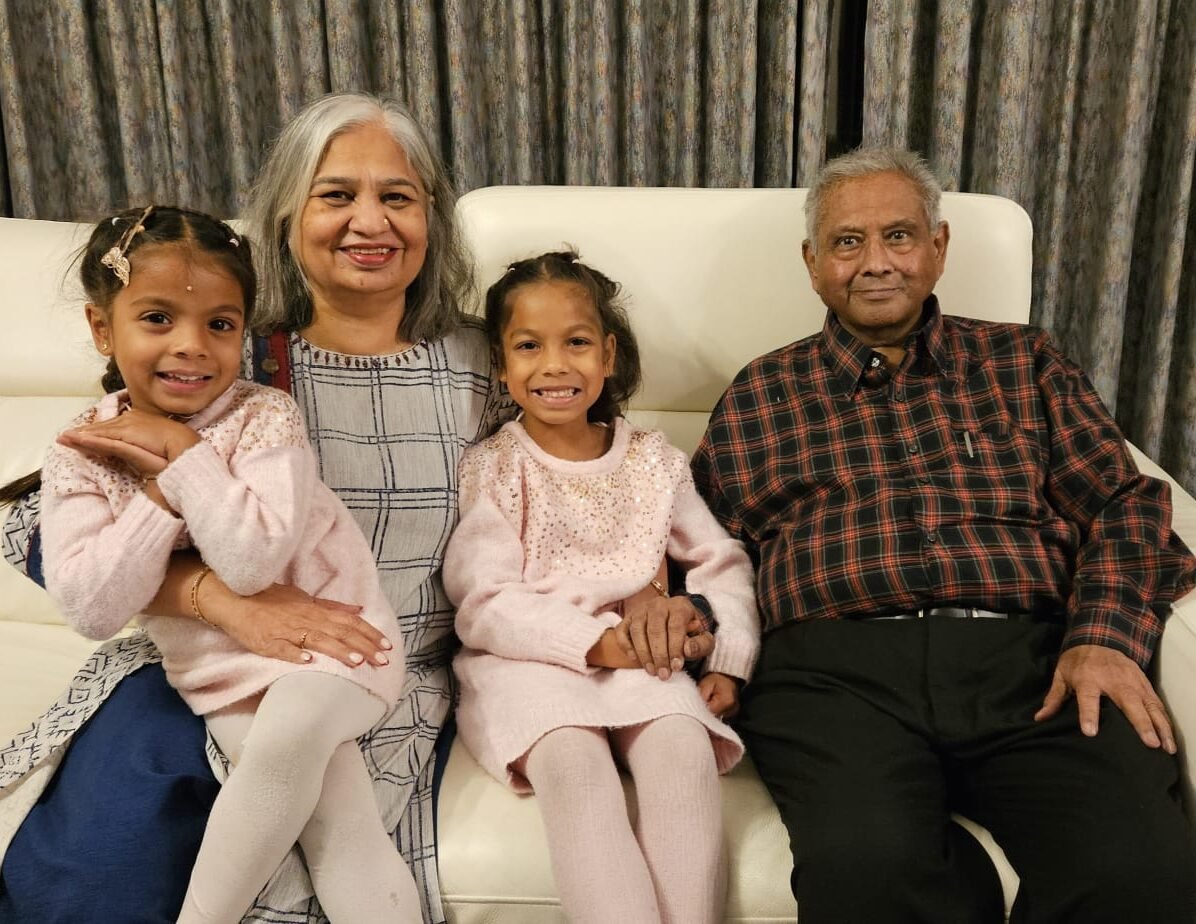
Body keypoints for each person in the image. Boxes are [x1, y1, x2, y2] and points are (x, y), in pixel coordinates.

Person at [0, 93, 713, 924]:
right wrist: (220, 599)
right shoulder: (227, 350)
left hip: (391, 672)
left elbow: (593, 483)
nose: (368, 220)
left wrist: (643, 589)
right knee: (91, 880)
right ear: (289, 214)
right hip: (206, 666)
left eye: (397, 196)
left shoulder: (493, 362)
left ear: (430, 219)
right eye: (336, 194)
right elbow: (35, 527)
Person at [692, 147, 1196, 923]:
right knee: (866, 874)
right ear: (813, 263)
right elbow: (696, 543)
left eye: (899, 235)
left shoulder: (1024, 361)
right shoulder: (760, 393)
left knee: (1140, 869)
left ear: (939, 246)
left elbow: (1125, 503)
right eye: (847, 241)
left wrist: (1103, 636)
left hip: (1032, 661)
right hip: (833, 676)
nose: (875, 263)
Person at [32, 203, 420, 922]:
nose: (192, 347)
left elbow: (251, 563)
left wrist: (184, 457)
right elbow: (91, 607)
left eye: (220, 323)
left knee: (286, 748)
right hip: (218, 674)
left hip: (339, 645)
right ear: (100, 328)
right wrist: (156, 501)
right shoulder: (79, 452)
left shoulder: (266, 417)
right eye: (156, 319)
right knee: (339, 824)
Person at [442, 250, 759, 924]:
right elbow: (485, 601)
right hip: (529, 666)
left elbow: (720, 560)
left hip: (642, 657)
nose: (554, 364)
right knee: (576, 768)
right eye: (529, 346)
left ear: (609, 355)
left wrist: (728, 662)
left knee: (682, 748)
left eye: (577, 342)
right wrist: (595, 644)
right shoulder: (495, 467)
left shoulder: (652, 461)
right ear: (501, 363)